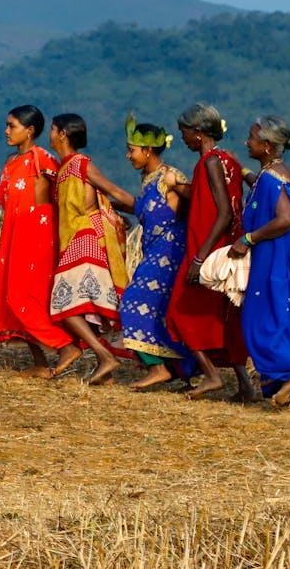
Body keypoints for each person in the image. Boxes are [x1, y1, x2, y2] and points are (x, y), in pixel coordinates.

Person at [229, 117, 290, 409]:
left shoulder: (271, 177)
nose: (247, 142)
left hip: (284, 251)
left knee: (263, 315)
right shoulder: (275, 172)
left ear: (267, 145)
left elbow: (286, 218)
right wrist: (243, 171)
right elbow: (263, 193)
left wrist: (248, 239)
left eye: (251, 137)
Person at [166, 102, 256, 401]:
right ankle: (245, 386)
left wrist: (199, 258)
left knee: (178, 311)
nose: (183, 138)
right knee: (225, 318)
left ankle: (212, 375)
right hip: (226, 250)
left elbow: (223, 214)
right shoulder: (226, 160)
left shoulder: (210, 162)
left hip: (209, 250)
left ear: (199, 132)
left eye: (185, 132)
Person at [46, 113, 133, 385]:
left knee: (65, 304)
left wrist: (148, 209)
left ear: (62, 134)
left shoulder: (79, 164)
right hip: (77, 239)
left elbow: (113, 191)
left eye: (52, 129)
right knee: (82, 304)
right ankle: (103, 365)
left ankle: (104, 356)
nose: (49, 134)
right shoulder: (64, 169)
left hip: (86, 237)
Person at [112, 114, 193, 389]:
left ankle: (158, 368)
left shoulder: (170, 176)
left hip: (170, 253)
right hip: (154, 252)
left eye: (132, 150)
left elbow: (199, 201)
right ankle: (177, 370)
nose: (128, 155)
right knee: (160, 311)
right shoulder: (148, 180)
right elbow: (139, 208)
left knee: (134, 302)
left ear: (147, 151)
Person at [0, 105, 73, 378]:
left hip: (35, 234)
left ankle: (65, 346)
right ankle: (40, 364)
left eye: (12, 126)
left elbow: (61, 193)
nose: (6, 131)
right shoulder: (11, 163)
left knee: (24, 297)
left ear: (30, 131)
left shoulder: (42, 159)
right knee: (12, 297)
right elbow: (1, 198)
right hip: (13, 233)